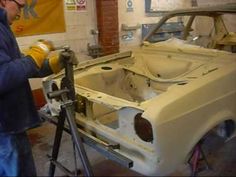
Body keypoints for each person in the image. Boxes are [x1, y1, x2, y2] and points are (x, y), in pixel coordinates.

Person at [0, 0, 63, 176]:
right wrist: (35, 55)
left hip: (9, 124)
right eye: (19, 6)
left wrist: (53, 64)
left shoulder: (4, 28)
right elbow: (3, 75)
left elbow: (20, 65)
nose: (20, 13)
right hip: (5, 127)